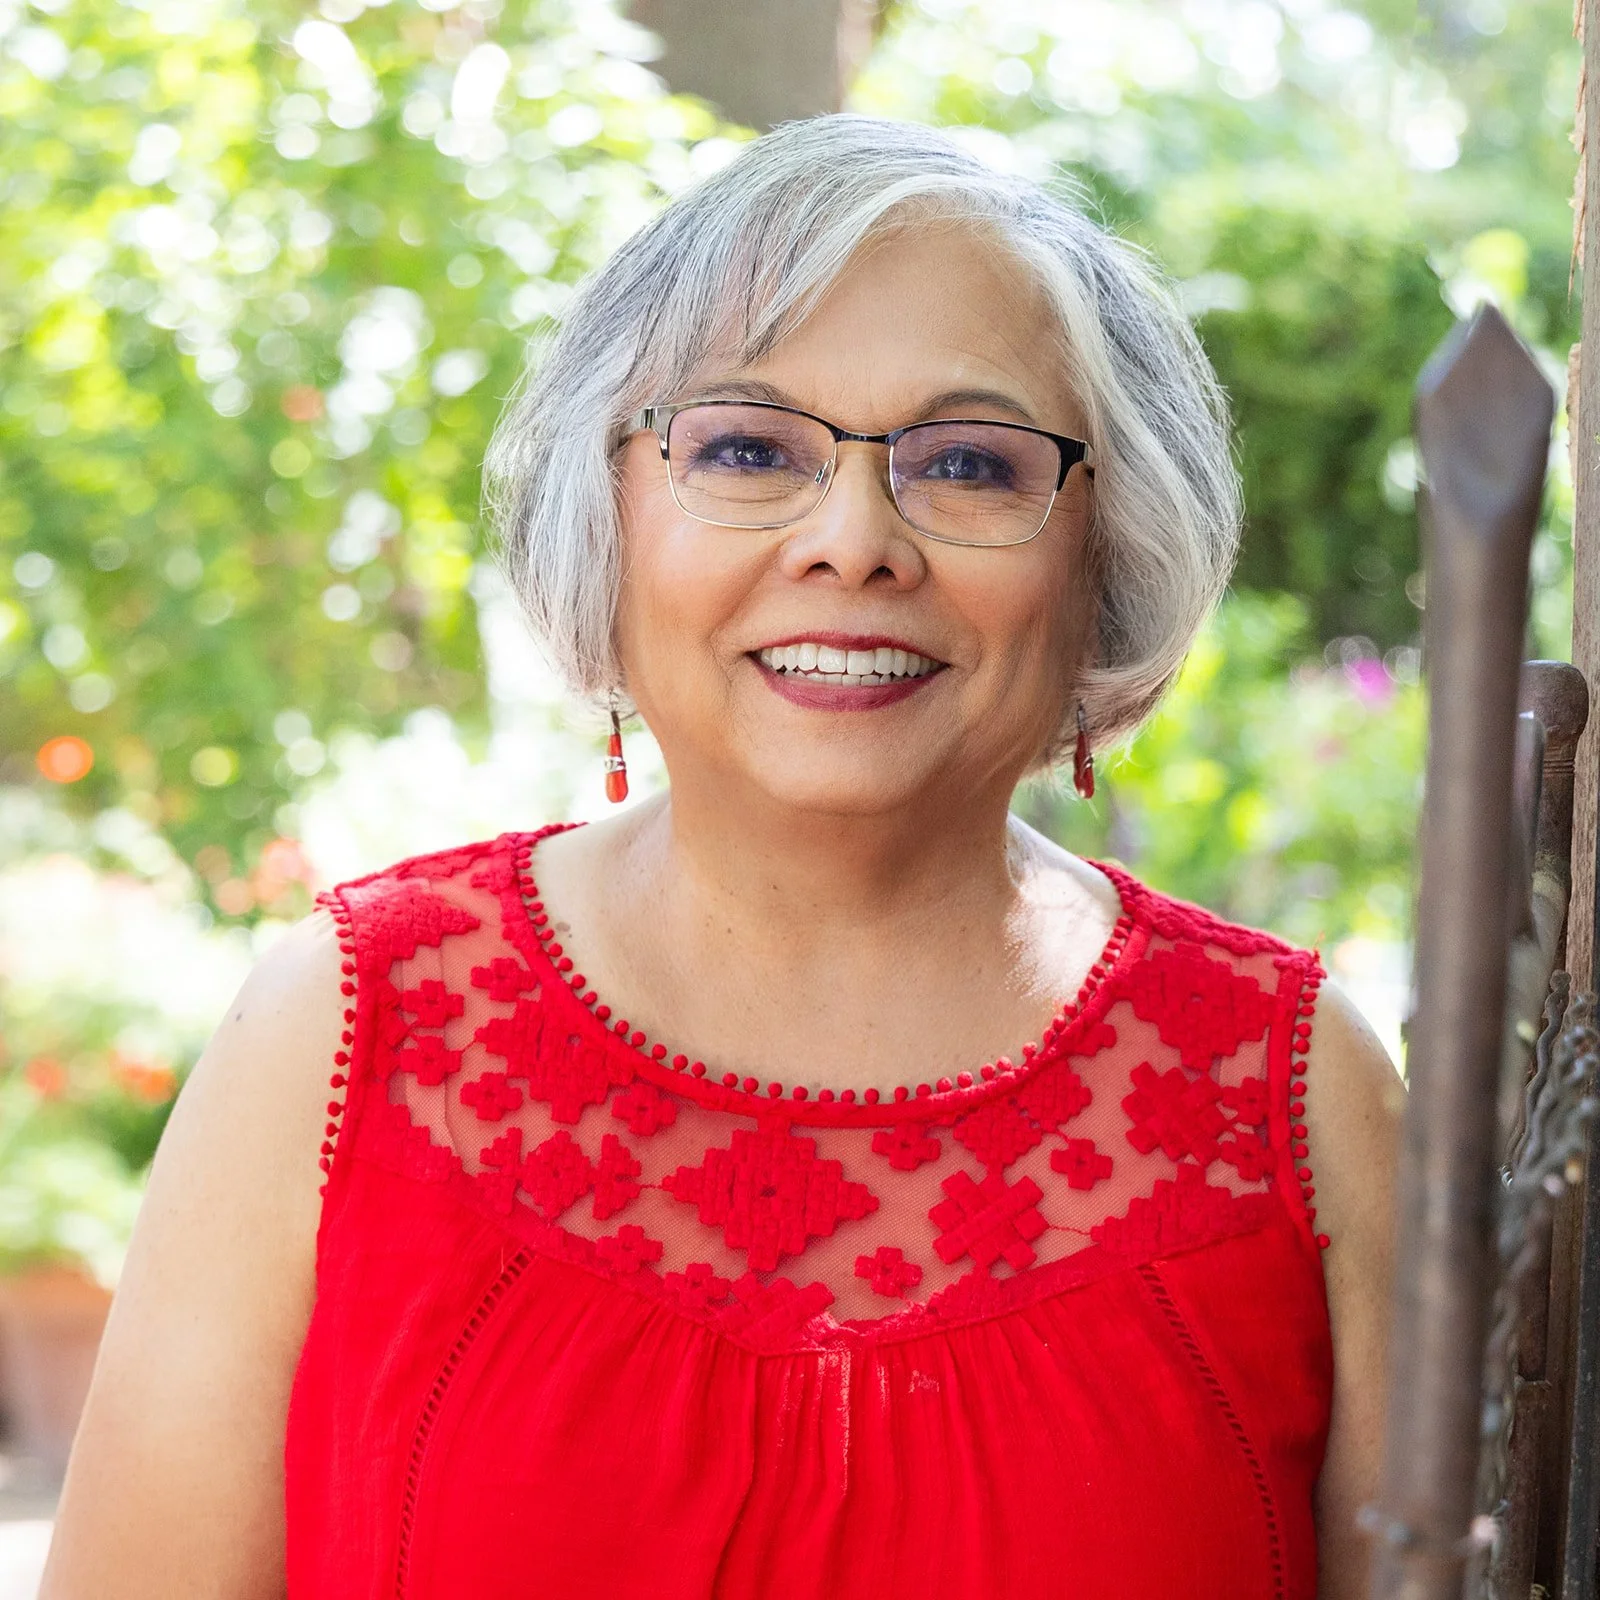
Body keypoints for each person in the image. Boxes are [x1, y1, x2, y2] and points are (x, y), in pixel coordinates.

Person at [42, 114, 1403, 1600]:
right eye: (748, 447)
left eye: (969, 463)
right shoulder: (346, 1034)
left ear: (1107, 553)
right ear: (609, 513)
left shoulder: (1295, 1094)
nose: (854, 540)